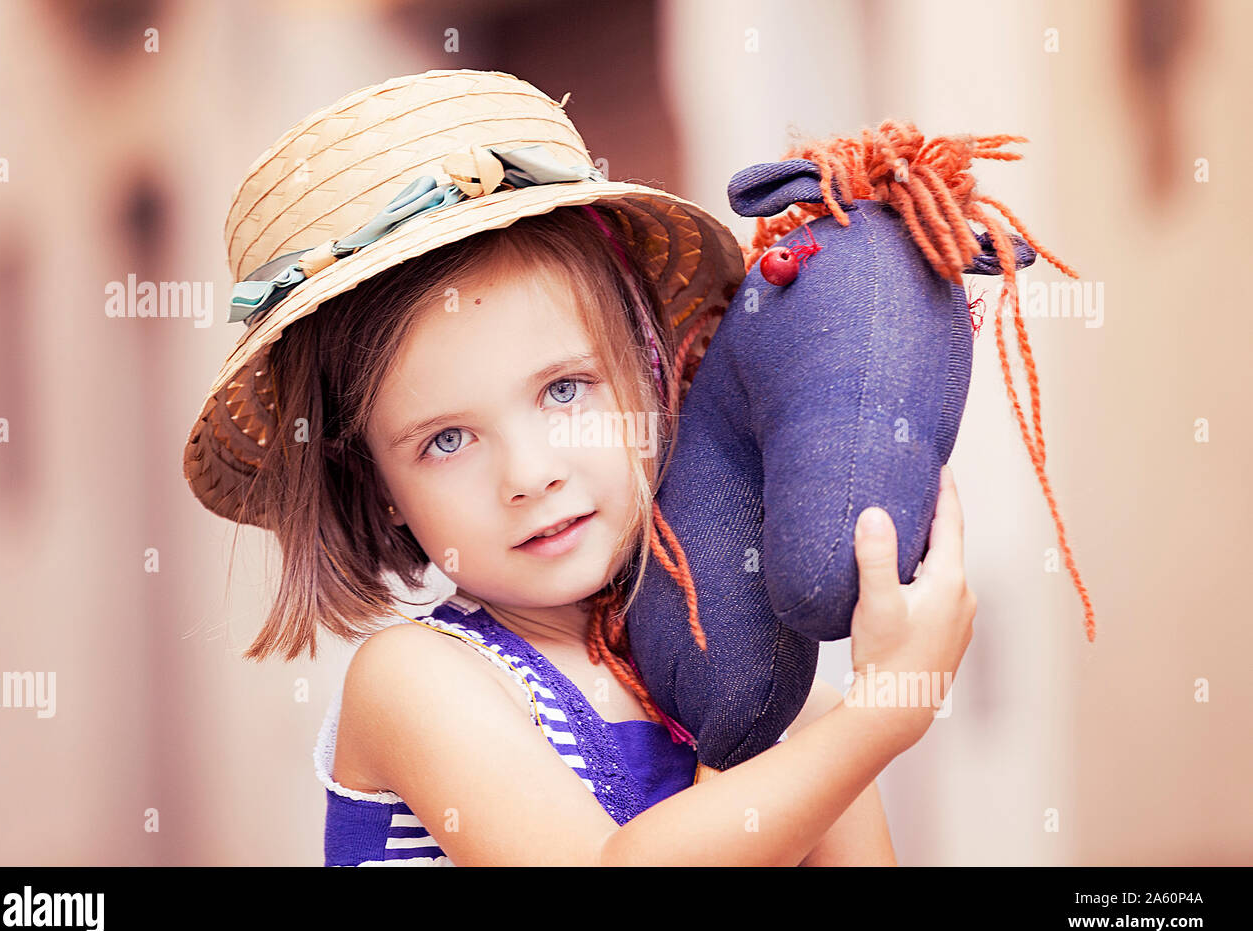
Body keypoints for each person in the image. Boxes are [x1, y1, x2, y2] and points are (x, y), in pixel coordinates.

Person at [182, 69, 975, 866]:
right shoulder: (417, 681)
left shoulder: (796, 720)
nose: (528, 475)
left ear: (652, 373)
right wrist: (883, 718)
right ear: (376, 486)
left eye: (564, 389)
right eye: (446, 440)